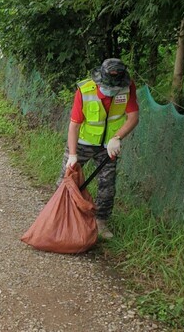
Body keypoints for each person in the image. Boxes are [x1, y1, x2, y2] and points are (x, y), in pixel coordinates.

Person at [59, 58, 139, 239]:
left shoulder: (127, 87)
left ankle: (101, 222)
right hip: (83, 143)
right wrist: (72, 154)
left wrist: (118, 137)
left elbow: (133, 117)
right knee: (66, 179)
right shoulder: (85, 90)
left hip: (108, 146)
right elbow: (74, 125)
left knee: (107, 185)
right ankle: (60, 216)